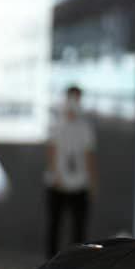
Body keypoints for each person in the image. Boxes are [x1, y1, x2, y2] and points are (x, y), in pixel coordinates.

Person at [43, 86, 97, 256]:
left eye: (77, 99)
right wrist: (56, 175)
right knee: (55, 226)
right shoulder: (56, 125)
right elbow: (51, 150)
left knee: (78, 228)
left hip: (80, 184)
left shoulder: (85, 128)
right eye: (72, 98)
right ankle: (51, 262)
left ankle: (76, 260)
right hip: (57, 184)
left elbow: (89, 155)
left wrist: (91, 182)